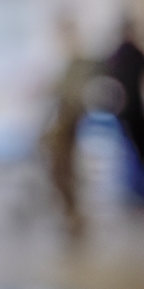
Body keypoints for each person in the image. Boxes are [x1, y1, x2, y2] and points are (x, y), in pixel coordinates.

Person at [40, 15, 96, 237]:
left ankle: (75, 215)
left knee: (64, 171)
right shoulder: (68, 63)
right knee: (60, 172)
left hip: (69, 123)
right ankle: (71, 214)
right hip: (64, 122)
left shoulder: (80, 63)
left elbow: (73, 99)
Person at [107, 20, 144, 207]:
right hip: (139, 111)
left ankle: (136, 192)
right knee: (143, 154)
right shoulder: (138, 54)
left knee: (130, 153)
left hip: (123, 113)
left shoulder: (115, 56)